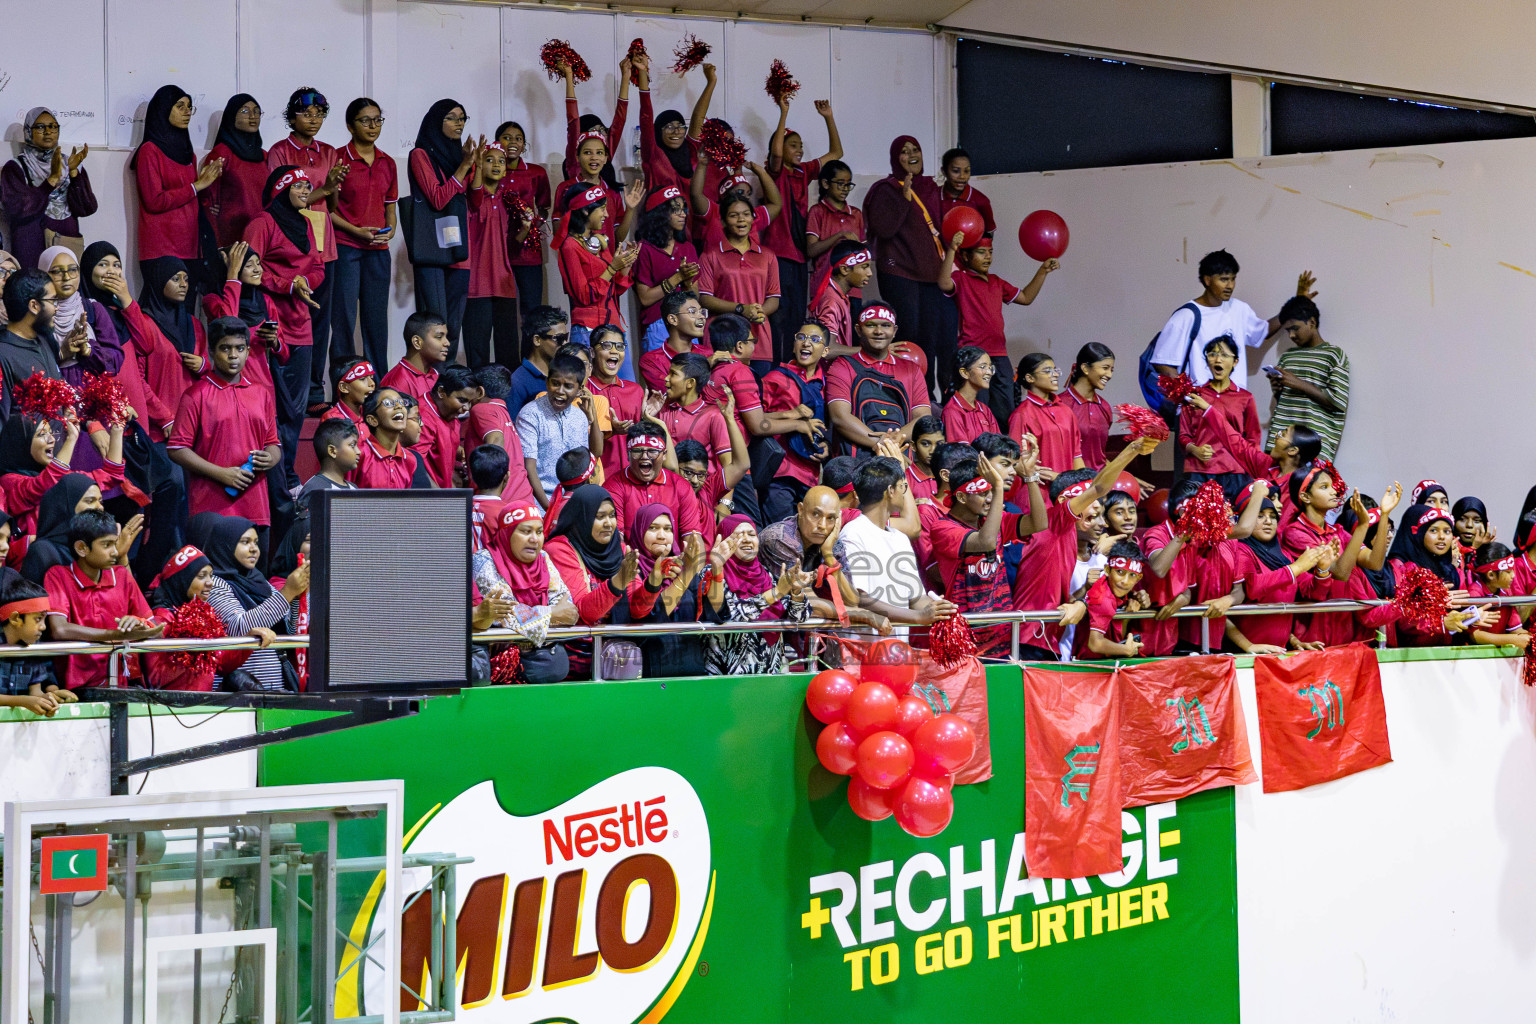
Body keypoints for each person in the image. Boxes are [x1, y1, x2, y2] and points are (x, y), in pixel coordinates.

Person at [244, 165, 324, 485]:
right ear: (281, 190)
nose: (307, 191)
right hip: (269, 321)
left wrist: (305, 281)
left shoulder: (306, 223)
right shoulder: (261, 223)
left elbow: (317, 267)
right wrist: (288, 284)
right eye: (300, 186)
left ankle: (288, 478)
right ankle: (272, 481)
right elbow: (248, 268)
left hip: (300, 322)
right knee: (271, 407)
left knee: (295, 409)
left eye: (308, 185)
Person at [167, 318, 282, 536]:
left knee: (255, 570)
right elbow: (176, 449)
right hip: (211, 509)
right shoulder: (196, 395)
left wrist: (271, 457)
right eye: (225, 348)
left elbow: (273, 443)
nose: (233, 355)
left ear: (248, 351)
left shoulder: (261, 394)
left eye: (239, 348)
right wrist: (222, 474)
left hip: (256, 508)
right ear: (211, 351)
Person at [932, 452, 1048, 654]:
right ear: (961, 497)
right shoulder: (943, 528)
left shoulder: (995, 521)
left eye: (991, 492)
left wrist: (1030, 477)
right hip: (964, 635)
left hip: (1001, 631)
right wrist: (997, 488)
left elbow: (1040, 523)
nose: (990, 499)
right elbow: (986, 541)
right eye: (983, 493)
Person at [938, 232, 1057, 427]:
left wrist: (1042, 271)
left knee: (1005, 407)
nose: (987, 257)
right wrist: (952, 249)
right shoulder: (961, 278)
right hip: (974, 354)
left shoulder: (996, 282)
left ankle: (1001, 448)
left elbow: (1026, 297)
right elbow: (943, 283)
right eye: (981, 252)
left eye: (990, 252)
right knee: (979, 405)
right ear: (966, 257)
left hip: (1000, 354)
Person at [863, 136, 947, 395]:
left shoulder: (932, 188)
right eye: (904, 151)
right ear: (894, 158)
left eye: (916, 149)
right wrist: (904, 197)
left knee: (929, 341)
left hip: (932, 275)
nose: (912, 154)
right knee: (906, 336)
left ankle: (926, 396)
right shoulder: (885, 189)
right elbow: (883, 229)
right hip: (898, 271)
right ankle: (899, 393)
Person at [189, 512, 308, 691]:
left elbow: (291, 630)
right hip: (237, 694)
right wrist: (287, 593)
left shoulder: (263, 584)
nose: (254, 549)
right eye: (245, 542)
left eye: (256, 543)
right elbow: (240, 627)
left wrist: (299, 595)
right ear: (225, 544)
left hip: (275, 689)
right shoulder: (214, 585)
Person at [43, 509, 162, 688]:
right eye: (106, 545)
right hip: (75, 690)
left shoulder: (122, 576)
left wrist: (139, 624)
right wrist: (114, 635)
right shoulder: (58, 576)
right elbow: (59, 629)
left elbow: (157, 632)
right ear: (82, 548)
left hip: (120, 684)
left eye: (115, 544)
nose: (115, 552)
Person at [765, 95, 843, 366]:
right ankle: (777, 370)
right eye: (793, 145)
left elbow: (836, 154)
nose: (799, 150)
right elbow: (776, 154)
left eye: (800, 146)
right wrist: (783, 113)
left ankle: (794, 369)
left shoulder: (803, 171)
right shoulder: (775, 172)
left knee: (798, 316)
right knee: (779, 318)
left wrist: (828, 117)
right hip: (778, 256)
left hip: (800, 257)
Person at [840, 455, 954, 632]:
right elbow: (859, 597)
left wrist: (937, 609)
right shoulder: (853, 533)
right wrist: (918, 616)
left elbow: (916, 598)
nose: (905, 493)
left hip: (897, 649)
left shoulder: (900, 538)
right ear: (890, 491)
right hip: (863, 651)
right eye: (903, 486)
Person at [78, 243, 177, 438]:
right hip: (104, 418)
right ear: (89, 270)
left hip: (135, 414)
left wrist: (127, 301)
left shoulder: (123, 311)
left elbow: (147, 346)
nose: (111, 271)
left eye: (116, 265)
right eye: (103, 264)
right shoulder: (82, 312)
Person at [544, 483, 641, 678]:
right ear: (582, 517)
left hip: (618, 662)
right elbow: (584, 612)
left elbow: (638, 609)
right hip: (574, 667)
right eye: (599, 517)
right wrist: (617, 583)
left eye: (612, 515)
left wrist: (653, 584)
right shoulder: (560, 549)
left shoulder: (619, 549)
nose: (609, 523)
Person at [1220, 491, 1336, 655]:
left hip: (1277, 651)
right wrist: (1296, 568)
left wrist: (1323, 569)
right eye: (1260, 516)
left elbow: (1314, 593)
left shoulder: (1284, 556)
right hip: (1243, 654)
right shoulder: (1239, 550)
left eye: (1272, 516)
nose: (1268, 521)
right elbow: (1253, 587)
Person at [0, 412, 123, 565]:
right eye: (41, 435)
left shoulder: (59, 477)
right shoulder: (9, 482)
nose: (51, 440)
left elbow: (110, 476)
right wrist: (71, 439)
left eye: (51, 433)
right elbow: (45, 485)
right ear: (21, 442)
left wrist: (117, 431)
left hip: (66, 562)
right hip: (30, 569)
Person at [145, 544, 272, 691]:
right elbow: (154, 678)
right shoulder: (161, 619)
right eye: (201, 576)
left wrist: (249, 640)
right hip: (170, 709)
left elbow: (222, 663)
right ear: (182, 580)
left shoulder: (203, 616)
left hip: (203, 706)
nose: (210, 583)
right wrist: (195, 652)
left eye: (210, 575)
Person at [331, 97, 398, 376]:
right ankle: (344, 382)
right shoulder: (337, 158)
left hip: (378, 252)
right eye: (365, 120)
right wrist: (356, 231)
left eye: (377, 120)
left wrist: (391, 230)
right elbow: (327, 211)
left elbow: (390, 207)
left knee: (376, 321)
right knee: (344, 319)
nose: (373, 126)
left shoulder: (388, 162)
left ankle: (377, 384)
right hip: (346, 248)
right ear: (350, 125)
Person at [474, 504, 577, 683]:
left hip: (542, 652)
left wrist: (538, 617)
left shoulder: (543, 559)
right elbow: (505, 614)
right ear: (507, 533)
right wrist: (551, 614)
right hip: (501, 657)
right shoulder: (484, 561)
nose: (534, 539)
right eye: (526, 531)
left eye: (539, 532)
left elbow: (567, 608)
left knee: (557, 661)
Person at [408, 99, 478, 360]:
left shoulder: (462, 156)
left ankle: (446, 383)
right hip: (432, 250)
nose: (458, 123)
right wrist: (463, 168)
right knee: (435, 324)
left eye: (462, 118)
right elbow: (437, 198)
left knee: (454, 325)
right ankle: (430, 381)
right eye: (451, 117)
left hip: (459, 248)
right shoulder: (420, 155)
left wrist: (476, 165)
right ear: (437, 121)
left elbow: (476, 201)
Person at [132, 86, 219, 284]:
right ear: (163, 109)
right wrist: (196, 186)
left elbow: (190, 199)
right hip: (161, 250)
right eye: (180, 106)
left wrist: (205, 188)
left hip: (190, 248)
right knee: (162, 312)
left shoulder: (189, 153)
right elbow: (154, 201)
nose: (187, 112)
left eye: (189, 107)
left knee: (187, 313)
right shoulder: (149, 151)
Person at [702, 513, 810, 674]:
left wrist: (796, 592)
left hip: (770, 673)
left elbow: (798, 618)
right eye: (738, 535)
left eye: (752, 534)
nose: (747, 539)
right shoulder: (711, 574)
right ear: (724, 540)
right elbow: (733, 616)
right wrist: (776, 593)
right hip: (726, 676)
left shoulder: (766, 575)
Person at [614, 505, 713, 677]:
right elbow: (652, 615)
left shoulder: (683, 566)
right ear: (639, 530)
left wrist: (717, 571)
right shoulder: (630, 569)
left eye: (667, 529)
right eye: (653, 528)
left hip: (690, 670)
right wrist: (688, 573)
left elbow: (714, 615)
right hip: (647, 673)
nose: (661, 535)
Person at [824, 304, 931, 453]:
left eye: (886, 325)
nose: (879, 331)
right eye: (870, 325)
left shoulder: (911, 369)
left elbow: (923, 417)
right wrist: (878, 444)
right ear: (858, 330)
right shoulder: (842, 366)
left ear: (894, 331)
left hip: (897, 459)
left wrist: (894, 440)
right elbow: (839, 417)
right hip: (853, 463)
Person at [697, 186, 782, 372]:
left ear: (753, 218)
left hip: (758, 342)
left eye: (746, 214)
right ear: (724, 221)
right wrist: (741, 309)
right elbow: (704, 298)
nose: (741, 219)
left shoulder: (767, 255)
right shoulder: (711, 255)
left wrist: (760, 313)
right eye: (734, 215)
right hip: (722, 341)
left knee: (756, 397)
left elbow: (774, 297)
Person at [3, 107, 96, 269]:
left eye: (53, 126)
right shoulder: (16, 167)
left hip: (66, 244)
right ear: (28, 132)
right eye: (40, 127)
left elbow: (87, 208)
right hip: (31, 249)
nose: (48, 132)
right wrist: (50, 181)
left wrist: (74, 173)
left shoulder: (70, 163)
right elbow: (16, 208)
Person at [761, 318, 831, 523]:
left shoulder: (826, 384)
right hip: (779, 472)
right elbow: (753, 420)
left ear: (825, 351)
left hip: (810, 474)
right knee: (781, 536)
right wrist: (790, 415)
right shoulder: (775, 378)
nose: (806, 343)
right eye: (801, 337)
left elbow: (828, 426)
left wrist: (826, 444)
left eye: (815, 339)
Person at [1266, 295, 1350, 461]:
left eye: (1295, 328)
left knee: (1307, 488)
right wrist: (1277, 390)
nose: (1291, 335)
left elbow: (1338, 403)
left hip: (1313, 449)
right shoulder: (1287, 356)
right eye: (1287, 330)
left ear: (1312, 322)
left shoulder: (1333, 355)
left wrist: (1297, 383)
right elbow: (1283, 401)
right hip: (1279, 447)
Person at [1179, 335, 1261, 503]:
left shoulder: (1245, 398)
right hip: (1198, 471)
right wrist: (1195, 450)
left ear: (1235, 361)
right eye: (1212, 354)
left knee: (1233, 521)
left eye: (1224, 355)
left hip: (1235, 472)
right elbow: (1183, 435)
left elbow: (1253, 439)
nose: (1218, 359)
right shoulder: (1193, 395)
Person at [515, 352, 604, 507]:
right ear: (547, 382)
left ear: (579, 389)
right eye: (555, 383)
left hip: (574, 502)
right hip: (540, 503)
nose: (560, 391)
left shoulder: (580, 416)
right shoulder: (530, 414)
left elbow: (593, 455)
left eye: (568, 386)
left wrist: (593, 416)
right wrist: (550, 510)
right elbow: (529, 468)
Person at [202, 241, 285, 398]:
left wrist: (275, 342)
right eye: (248, 265)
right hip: (228, 387)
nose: (257, 270)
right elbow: (230, 324)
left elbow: (284, 356)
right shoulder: (212, 300)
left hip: (262, 389)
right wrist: (232, 275)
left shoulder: (265, 301)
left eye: (258, 264)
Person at [463, 141, 520, 370]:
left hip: (504, 283)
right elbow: (475, 196)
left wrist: (526, 226)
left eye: (501, 161)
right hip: (476, 284)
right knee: (477, 349)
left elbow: (515, 242)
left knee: (508, 347)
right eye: (489, 159)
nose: (496, 164)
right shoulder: (473, 196)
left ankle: (508, 399)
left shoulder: (508, 200)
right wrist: (475, 166)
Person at [558, 183, 638, 342]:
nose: (606, 215)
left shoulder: (599, 242)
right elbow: (584, 296)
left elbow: (615, 290)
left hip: (613, 327)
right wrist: (612, 267)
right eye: (602, 209)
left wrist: (625, 265)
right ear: (585, 210)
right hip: (587, 330)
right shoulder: (569, 246)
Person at [493, 120, 552, 329]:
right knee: (503, 310)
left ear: (524, 145)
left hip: (528, 251)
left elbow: (544, 206)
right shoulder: (490, 170)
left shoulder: (536, 173)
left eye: (518, 139)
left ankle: (530, 358)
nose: (512, 143)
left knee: (532, 310)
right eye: (506, 138)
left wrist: (532, 225)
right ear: (497, 142)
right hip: (497, 249)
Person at [605, 420, 704, 545]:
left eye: (652, 451)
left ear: (664, 455)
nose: (645, 456)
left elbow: (693, 540)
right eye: (637, 451)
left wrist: (693, 564)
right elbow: (615, 540)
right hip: (630, 560)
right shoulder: (613, 486)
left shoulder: (681, 487)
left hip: (672, 562)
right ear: (628, 455)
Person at [632, 186, 701, 354]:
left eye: (683, 209)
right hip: (658, 324)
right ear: (660, 214)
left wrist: (687, 282)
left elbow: (696, 296)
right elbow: (645, 298)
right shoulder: (645, 248)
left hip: (688, 322)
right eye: (675, 210)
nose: (683, 214)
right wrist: (677, 277)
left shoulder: (688, 248)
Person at [635, 56, 711, 194]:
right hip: (659, 215)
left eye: (680, 127)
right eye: (669, 127)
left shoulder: (691, 150)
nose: (676, 131)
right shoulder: (653, 153)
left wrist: (711, 82)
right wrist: (642, 72)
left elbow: (698, 118)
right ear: (658, 131)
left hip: (690, 215)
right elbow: (645, 116)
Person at [463, 364, 535, 506]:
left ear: (479, 392)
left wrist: (490, 495)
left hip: (502, 501)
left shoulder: (482, 408)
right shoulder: (503, 412)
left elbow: (496, 440)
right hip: (522, 499)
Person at [201, 95, 268, 249]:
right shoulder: (222, 153)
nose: (253, 116)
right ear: (232, 116)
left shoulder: (264, 155)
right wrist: (215, 245)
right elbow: (208, 202)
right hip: (230, 238)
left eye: (257, 111)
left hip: (260, 235)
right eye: (245, 111)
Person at [19, 474, 112, 583]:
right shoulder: (43, 552)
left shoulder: (94, 547)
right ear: (67, 506)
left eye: (100, 501)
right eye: (90, 501)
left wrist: (121, 556)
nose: (100, 507)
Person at [558, 55, 632, 189]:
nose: (600, 134)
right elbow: (573, 122)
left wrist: (626, 77)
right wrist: (569, 76)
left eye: (602, 129)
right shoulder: (574, 162)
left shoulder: (604, 154)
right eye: (594, 130)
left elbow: (619, 120)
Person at [1005, 352, 1082, 480]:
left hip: (1066, 490)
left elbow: (1077, 456)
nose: (1056, 375)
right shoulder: (1022, 414)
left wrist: (1080, 485)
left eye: (1055, 370)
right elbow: (1016, 462)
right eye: (1048, 371)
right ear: (1030, 378)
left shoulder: (1066, 411)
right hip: (1038, 491)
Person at [0, 577, 71, 715]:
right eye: (38, 619)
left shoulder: (34, 646)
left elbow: (35, 691)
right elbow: (28, 700)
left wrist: (49, 700)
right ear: (15, 618)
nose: (43, 627)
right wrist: (24, 701)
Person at [584, 326, 646, 477]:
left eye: (620, 346)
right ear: (592, 352)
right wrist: (609, 431)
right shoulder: (584, 391)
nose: (614, 351)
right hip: (597, 477)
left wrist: (650, 417)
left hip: (632, 477)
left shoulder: (636, 390)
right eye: (606, 346)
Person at [1076, 541, 1152, 660]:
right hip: (1089, 666)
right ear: (1107, 570)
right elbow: (1095, 644)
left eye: (1132, 575)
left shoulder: (1124, 591)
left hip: (1103, 662)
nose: (1125, 581)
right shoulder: (1102, 598)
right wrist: (1126, 649)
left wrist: (1129, 609)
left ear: (1139, 578)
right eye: (1120, 572)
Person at [805, 160, 865, 291]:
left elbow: (863, 250)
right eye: (840, 184)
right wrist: (840, 235)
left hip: (852, 287)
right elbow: (811, 250)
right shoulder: (817, 211)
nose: (845, 189)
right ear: (826, 183)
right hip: (824, 286)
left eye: (848, 184)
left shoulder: (856, 214)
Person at [416, 365, 477, 488]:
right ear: (441, 392)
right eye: (462, 400)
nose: (466, 408)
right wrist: (440, 497)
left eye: (470, 402)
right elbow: (415, 466)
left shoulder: (450, 413)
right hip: (430, 498)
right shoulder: (422, 417)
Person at [351, 388, 426, 488]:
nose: (399, 406)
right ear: (373, 420)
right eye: (388, 403)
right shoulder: (359, 454)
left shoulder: (409, 459)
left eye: (401, 402)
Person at [808, 239, 874, 352]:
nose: (869, 273)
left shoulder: (838, 295)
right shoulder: (831, 300)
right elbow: (828, 349)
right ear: (844, 269)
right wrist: (870, 352)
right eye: (864, 267)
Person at [640, 290, 712, 392]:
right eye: (692, 312)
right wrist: (705, 366)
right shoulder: (651, 361)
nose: (701, 317)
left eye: (701, 312)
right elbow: (672, 394)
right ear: (673, 319)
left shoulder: (708, 353)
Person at [506, 306, 569, 418]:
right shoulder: (518, 382)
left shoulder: (565, 373)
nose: (564, 343)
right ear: (537, 340)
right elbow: (512, 428)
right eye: (559, 338)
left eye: (566, 337)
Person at [1063, 343, 1116, 471]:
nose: (1109, 375)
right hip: (1070, 484)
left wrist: (1122, 476)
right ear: (1085, 368)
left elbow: (1100, 458)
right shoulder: (1061, 405)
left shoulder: (1105, 407)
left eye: (1112, 370)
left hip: (1099, 485)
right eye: (1105, 368)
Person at [1466, 542, 1529, 648]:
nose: (1513, 576)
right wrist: (1511, 640)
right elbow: (1474, 635)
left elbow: (1515, 628)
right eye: (1508, 572)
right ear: (1491, 575)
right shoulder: (1475, 593)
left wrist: (1529, 638)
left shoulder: (1506, 593)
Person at [942, 346, 1000, 443]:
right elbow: (961, 454)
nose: (989, 372)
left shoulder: (985, 410)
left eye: (990, 368)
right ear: (964, 373)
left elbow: (999, 446)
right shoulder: (952, 411)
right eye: (983, 367)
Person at [298, 418, 360, 508]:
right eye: (352, 445)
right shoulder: (315, 489)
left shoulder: (354, 488)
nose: (359, 451)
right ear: (332, 451)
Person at [938, 148, 996, 233]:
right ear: (944, 171)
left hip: (971, 246)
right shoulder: (933, 197)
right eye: (955, 171)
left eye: (966, 171)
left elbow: (988, 236)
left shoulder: (981, 201)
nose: (962, 176)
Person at [322, 356, 374, 437]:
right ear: (344, 387)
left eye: (371, 378)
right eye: (363, 379)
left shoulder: (373, 413)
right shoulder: (332, 419)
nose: (372, 383)